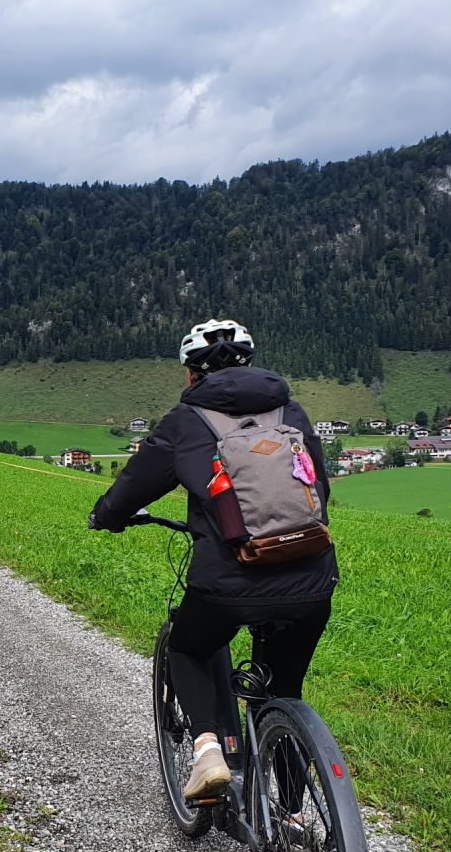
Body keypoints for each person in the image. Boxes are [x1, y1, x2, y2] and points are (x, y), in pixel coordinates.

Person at [87, 318, 336, 805]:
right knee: (284, 688)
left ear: (190, 374)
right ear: (249, 361)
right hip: (311, 577)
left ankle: (207, 754)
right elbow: (320, 487)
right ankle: (291, 817)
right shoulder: (292, 411)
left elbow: (132, 489)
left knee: (189, 648)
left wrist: (106, 516)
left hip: (228, 582)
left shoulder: (185, 422)